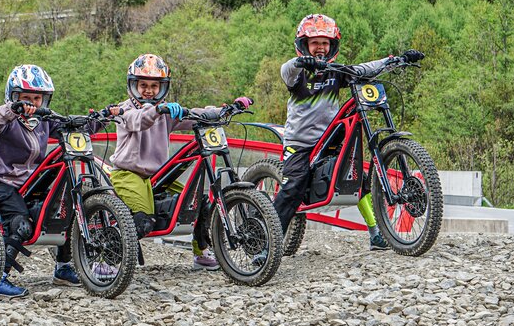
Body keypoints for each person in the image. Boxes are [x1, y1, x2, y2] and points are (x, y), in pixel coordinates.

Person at [275, 14, 424, 250]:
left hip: (330, 139)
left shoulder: (337, 71)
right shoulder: (297, 74)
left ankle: (376, 233)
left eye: (325, 43)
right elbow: (287, 69)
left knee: (358, 179)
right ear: (304, 45)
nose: (320, 48)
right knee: (294, 187)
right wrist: (301, 62)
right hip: (300, 144)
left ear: (332, 46)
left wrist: (399, 59)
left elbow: (365, 68)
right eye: (315, 43)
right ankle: (267, 244)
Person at [0, 64, 108, 298]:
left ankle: (63, 267)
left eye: (38, 98)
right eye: (26, 98)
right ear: (13, 96)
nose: (32, 103)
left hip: (32, 180)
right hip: (1, 180)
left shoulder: (44, 121)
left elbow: (73, 127)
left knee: (67, 208)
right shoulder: (6, 121)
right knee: (20, 224)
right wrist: (12, 109)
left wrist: (102, 118)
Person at [109, 53, 252, 270]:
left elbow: (195, 115)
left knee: (200, 203)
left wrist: (224, 110)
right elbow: (139, 120)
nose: (148, 90)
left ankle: (202, 252)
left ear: (163, 87)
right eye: (143, 85)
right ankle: (108, 258)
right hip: (128, 174)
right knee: (142, 220)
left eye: (154, 86)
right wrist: (157, 110)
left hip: (158, 176)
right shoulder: (124, 110)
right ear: (133, 86)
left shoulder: (166, 111)